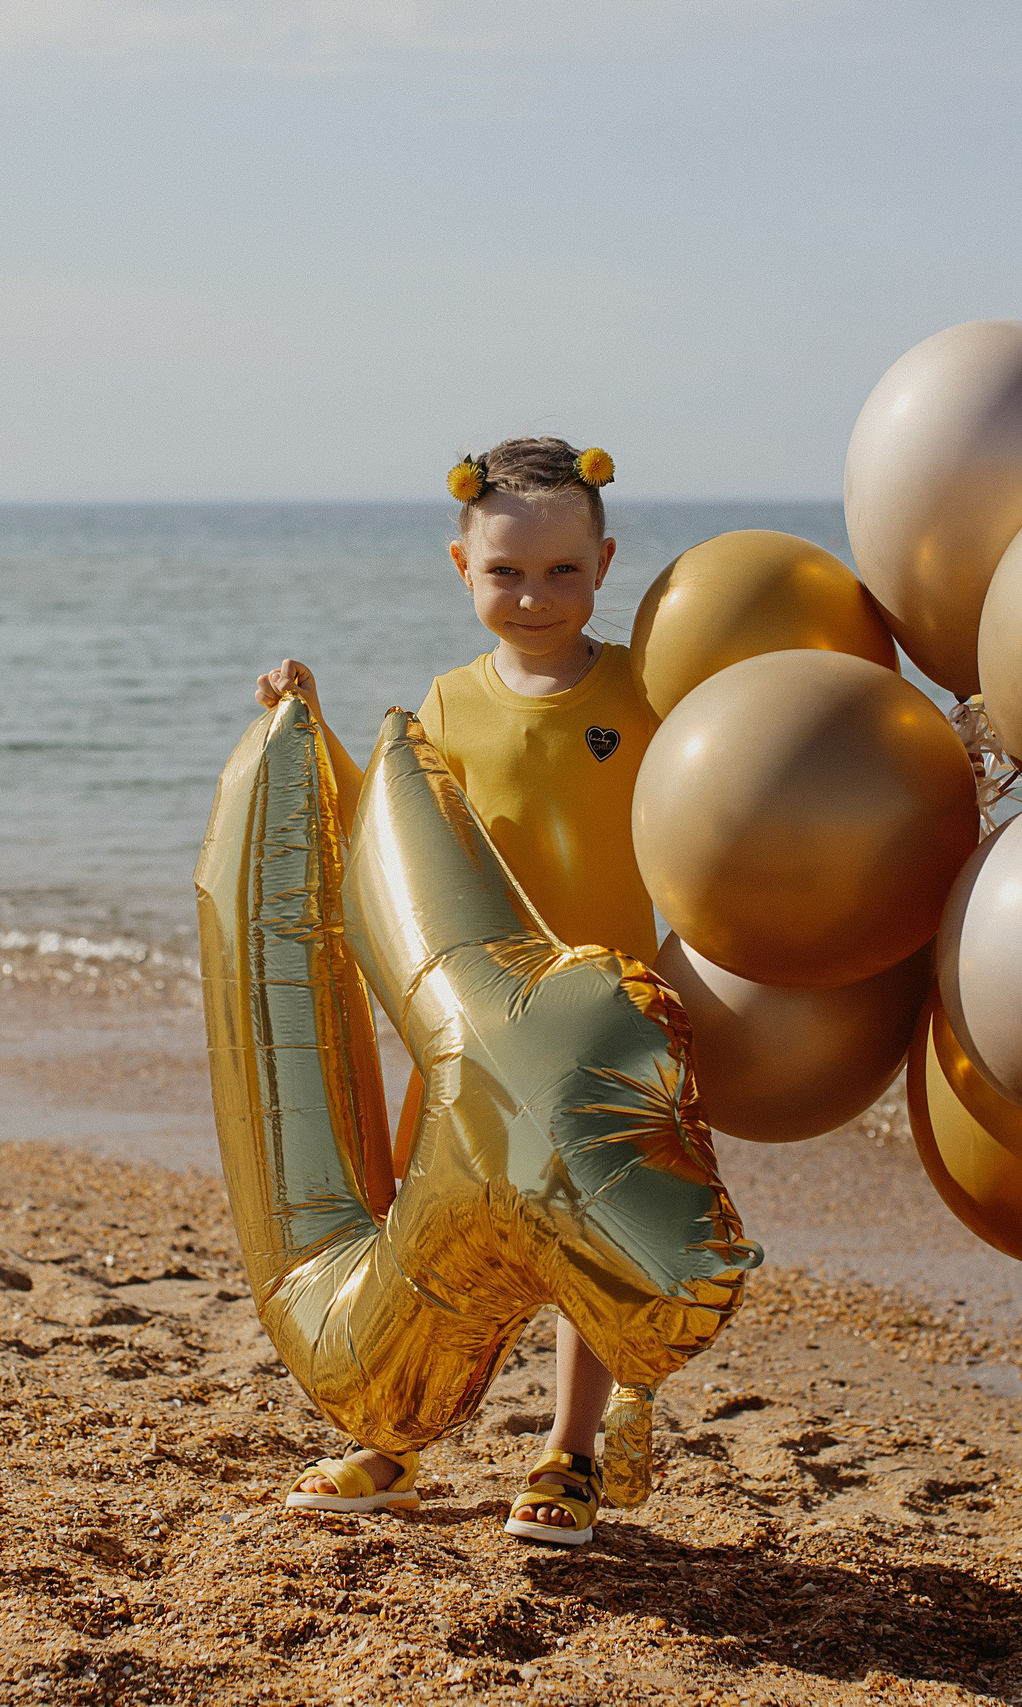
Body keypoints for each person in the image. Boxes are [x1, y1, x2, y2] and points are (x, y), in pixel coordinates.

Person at [255, 435, 654, 1547]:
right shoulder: (444, 704)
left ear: (606, 563)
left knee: (588, 1247)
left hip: (605, 1026)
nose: (534, 596)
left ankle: (568, 1454)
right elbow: (382, 831)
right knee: (432, 1239)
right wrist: (309, 727)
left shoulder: (645, 688)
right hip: (474, 1030)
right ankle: (392, 1437)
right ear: (460, 567)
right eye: (505, 573)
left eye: (562, 572)